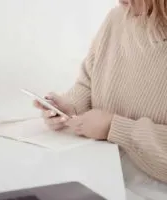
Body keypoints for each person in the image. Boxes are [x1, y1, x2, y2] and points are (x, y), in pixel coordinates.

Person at [35, 0, 167, 198]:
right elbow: (89, 82)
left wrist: (115, 128)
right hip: (98, 174)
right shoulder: (116, 19)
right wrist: (70, 106)